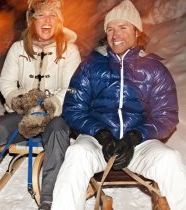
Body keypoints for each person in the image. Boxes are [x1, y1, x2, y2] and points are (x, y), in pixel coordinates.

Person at [51, 1, 186, 209]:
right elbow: (73, 109)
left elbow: (166, 116)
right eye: (111, 29)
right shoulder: (91, 66)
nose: (116, 35)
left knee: (169, 159)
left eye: (123, 27)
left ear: (136, 31)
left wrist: (135, 136)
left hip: (139, 144)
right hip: (97, 142)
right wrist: (101, 133)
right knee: (77, 154)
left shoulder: (154, 70)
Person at [0, 0, 81, 210]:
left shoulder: (69, 50)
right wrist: (20, 100)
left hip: (54, 114)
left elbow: (70, 87)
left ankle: (49, 196)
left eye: (52, 15)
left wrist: (49, 105)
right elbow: (6, 82)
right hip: (23, 112)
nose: (46, 21)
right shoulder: (18, 48)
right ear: (31, 21)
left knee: (58, 133)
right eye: (40, 15)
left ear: (59, 21)